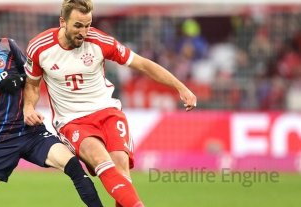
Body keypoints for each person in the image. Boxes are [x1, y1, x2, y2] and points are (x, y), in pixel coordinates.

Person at [23, 1, 197, 207]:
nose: (84, 32)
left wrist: (180, 87)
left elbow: (141, 64)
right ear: (63, 21)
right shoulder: (40, 47)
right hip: (72, 121)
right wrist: (28, 107)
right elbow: (32, 86)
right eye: (78, 25)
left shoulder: (99, 41)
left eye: (88, 25)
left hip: (107, 112)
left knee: (121, 168)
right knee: (100, 158)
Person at [0, 6, 103, 207]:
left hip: (29, 131)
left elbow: (32, 77)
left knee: (73, 165)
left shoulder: (5, 46)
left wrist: (17, 79)